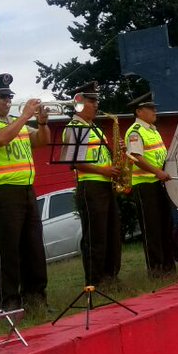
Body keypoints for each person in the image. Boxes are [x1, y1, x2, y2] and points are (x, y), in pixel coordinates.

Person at [0, 73, 50, 313]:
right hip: (3, 193)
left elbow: (41, 142)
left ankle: (36, 299)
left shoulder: (16, 122)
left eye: (9, 96)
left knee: (34, 248)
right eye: (3, 97)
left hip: (26, 189)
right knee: (8, 252)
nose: (7, 101)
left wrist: (42, 122)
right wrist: (25, 116)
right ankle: (10, 304)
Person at [61, 82, 122, 287]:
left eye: (97, 101)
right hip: (91, 186)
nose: (96, 105)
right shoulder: (75, 128)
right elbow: (74, 162)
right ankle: (95, 280)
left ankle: (111, 276)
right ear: (79, 103)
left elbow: (101, 156)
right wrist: (103, 170)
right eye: (91, 101)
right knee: (96, 236)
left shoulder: (94, 127)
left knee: (111, 233)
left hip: (105, 184)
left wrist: (118, 153)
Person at [125, 93, 175, 276]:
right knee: (152, 228)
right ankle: (156, 269)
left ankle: (169, 267)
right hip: (145, 185)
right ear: (139, 111)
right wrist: (157, 172)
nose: (155, 111)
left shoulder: (153, 129)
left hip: (159, 183)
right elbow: (136, 157)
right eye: (151, 108)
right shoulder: (136, 131)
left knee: (165, 225)